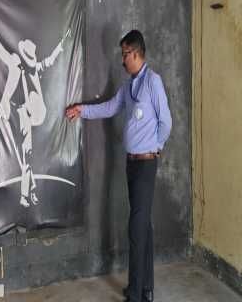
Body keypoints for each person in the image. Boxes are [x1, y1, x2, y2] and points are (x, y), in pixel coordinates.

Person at [65, 30, 172, 302]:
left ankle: (135, 295)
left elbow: (166, 122)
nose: (122, 60)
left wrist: (156, 147)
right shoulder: (129, 86)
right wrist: (81, 110)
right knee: (144, 227)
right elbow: (110, 108)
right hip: (131, 164)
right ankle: (146, 289)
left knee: (136, 229)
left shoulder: (153, 82)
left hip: (146, 165)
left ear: (135, 53)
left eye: (125, 54)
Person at [0, 10, 69, 207]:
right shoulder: (15, 63)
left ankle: (26, 195)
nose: (30, 62)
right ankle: (30, 191)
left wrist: (62, 45)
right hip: (13, 113)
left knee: (27, 155)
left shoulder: (35, 69)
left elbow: (50, 60)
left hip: (27, 114)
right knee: (23, 157)